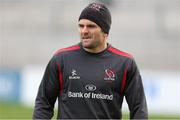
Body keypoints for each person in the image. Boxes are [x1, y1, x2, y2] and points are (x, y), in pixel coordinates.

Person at [33, 2, 148, 119]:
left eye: (91, 26)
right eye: (81, 26)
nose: (84, 31)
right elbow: (43, 103)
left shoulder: (125, 63)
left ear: (105, 32)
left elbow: (139, 110)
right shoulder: (61, 59)